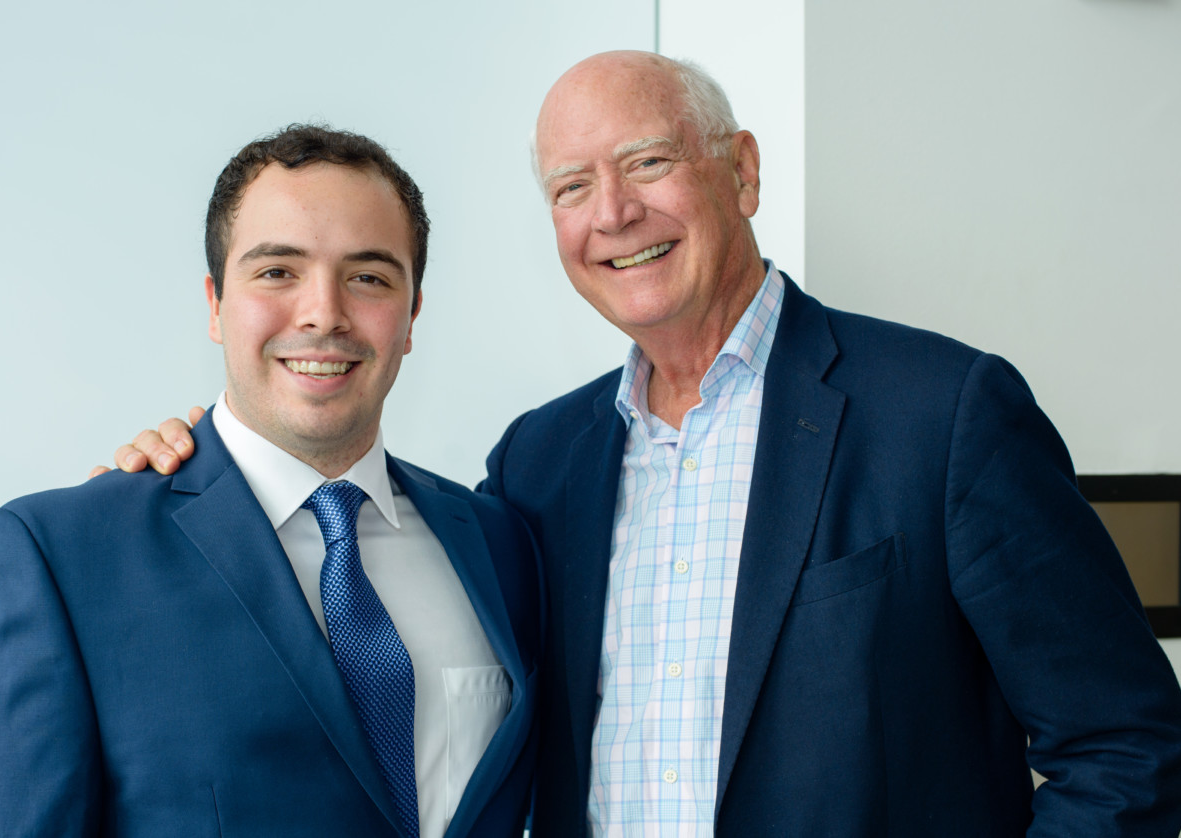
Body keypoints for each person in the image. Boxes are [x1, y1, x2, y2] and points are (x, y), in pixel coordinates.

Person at [103, 53, 1181, 836]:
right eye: (571, 188)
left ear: (740, 173)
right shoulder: (536, 466)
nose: (612, 212)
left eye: (647, 161)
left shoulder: (943, 415)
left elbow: (1127, 745)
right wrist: (202, 467)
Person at [0, 125, 540, 838]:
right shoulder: (57, 557)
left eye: (368, 276)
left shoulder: (499, 544)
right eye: (277, 271)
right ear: (216, 304)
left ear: (411, 316)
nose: (323, 313)